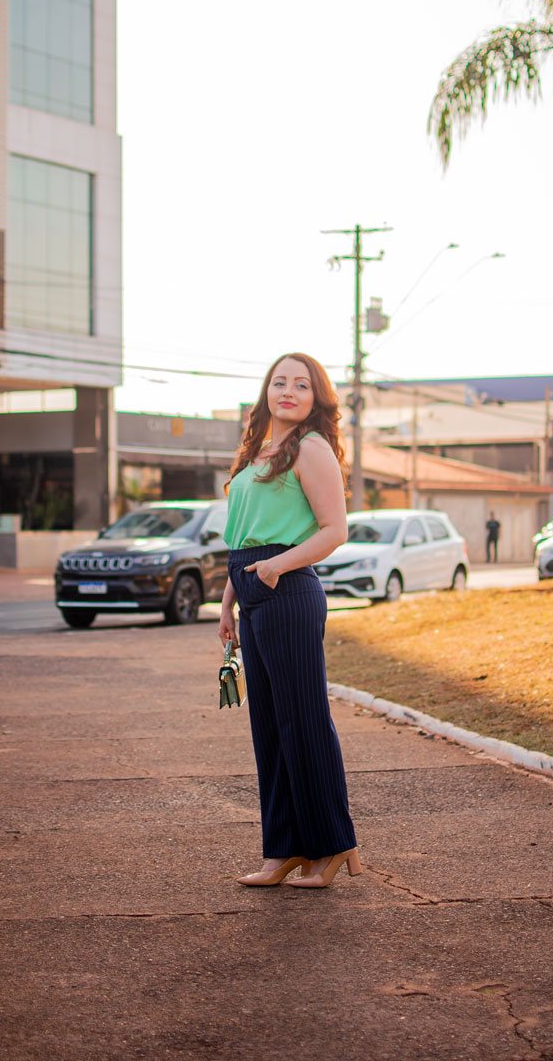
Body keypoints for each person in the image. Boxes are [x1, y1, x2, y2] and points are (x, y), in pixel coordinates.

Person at [219, 352, 362, 889]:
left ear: (315, 398)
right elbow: (244, 535)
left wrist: (274, 569)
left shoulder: (312, 448)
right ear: (266, 392)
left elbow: (334, 530)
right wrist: (231, 596)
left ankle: (332, 845)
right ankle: (284, 849)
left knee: (303, 721)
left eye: (301, 385)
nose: (288, 391)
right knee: (270, 729)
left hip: (289, 590)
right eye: (279, 382)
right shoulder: (258, 451)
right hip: (254, 590)